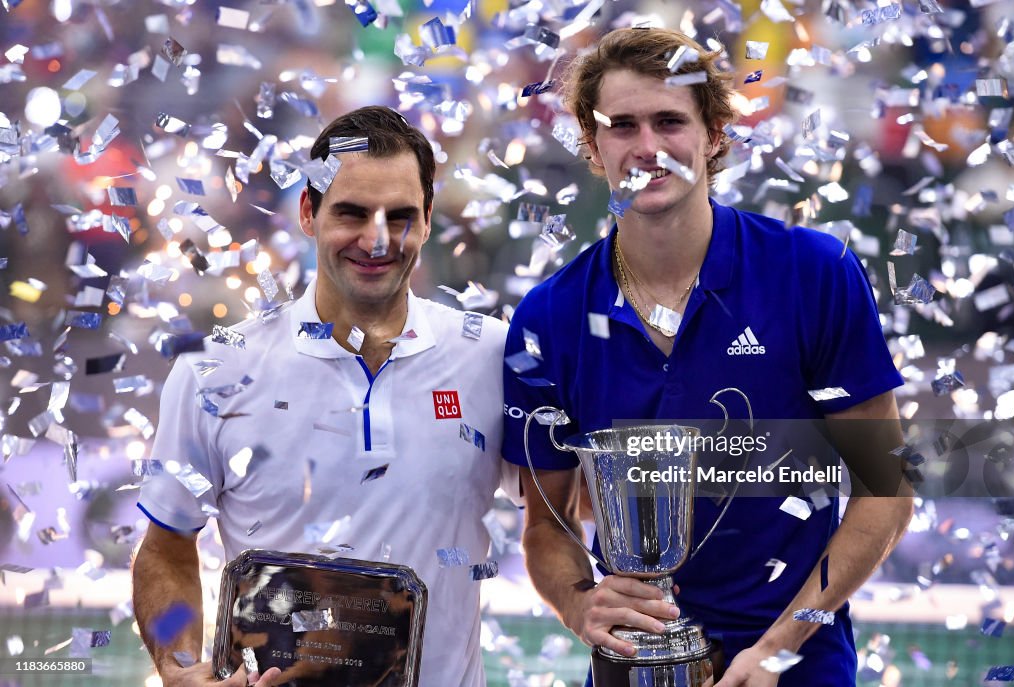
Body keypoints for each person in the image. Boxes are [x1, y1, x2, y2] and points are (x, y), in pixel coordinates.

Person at [501, 28, 914, 687]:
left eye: (670, 121)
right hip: (632, 667)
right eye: (622, 126)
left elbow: (886, 492)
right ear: (591, 142)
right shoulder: (547, 318)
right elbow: (546, 529)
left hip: (796, 663)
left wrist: (778, 645)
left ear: (715, 132)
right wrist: (582, 604)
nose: (647, 147)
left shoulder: (814, 273)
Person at [133, 105, 513, 686]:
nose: (377, 239)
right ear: (309, 212)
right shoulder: (213, 370)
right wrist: (179, 667)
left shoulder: (491, 356)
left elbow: (560, 511)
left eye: (402, 215)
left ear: (430, 219)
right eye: (352, 213)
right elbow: (166, 548)